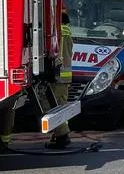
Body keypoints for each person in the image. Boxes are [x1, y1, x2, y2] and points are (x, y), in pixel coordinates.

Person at [44, 10, 73, 149]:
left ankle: (62, 135)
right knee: (61, 107)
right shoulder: (68, 31)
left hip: (57, 76)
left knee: (50, 107)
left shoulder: (57, 31)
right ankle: (60, 136)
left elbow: (55, 54)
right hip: (66, 77)